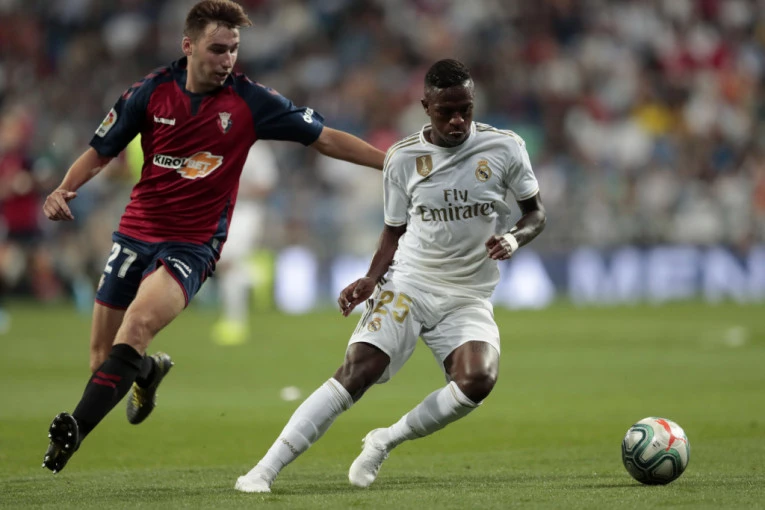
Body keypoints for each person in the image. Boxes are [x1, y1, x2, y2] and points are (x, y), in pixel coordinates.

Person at [40, 0, 385, 474]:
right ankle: (147, 370)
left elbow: (324, 137)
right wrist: (64, 188)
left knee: (136, 327)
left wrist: (391, 162)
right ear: (188, 46)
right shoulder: (150, 92)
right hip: (136, 234)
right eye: (217, 49)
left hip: (192, 246)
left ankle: (73, 431)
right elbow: (101, 150)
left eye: (233, 49)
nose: (227, 59)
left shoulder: (251, 101)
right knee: (103, 360)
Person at [234, 58, 546, 493]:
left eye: (465, 110)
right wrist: (370, 278)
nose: (458, 121)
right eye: (446, 112)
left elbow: (536, 214)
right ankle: (262, 471)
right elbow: (392, 232)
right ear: (426, 107)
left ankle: (385, 440)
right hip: (410, 283)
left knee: (478, 381)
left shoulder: (505, 148)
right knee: (357, 370)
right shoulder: (402, 158)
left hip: (468, 294)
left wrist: (513, 238)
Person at [211, 141, 278, 346]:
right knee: (224, 265)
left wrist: (233, 188)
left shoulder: (257, 151)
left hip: (246, 213)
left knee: (228, 263)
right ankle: (256, 276)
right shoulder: (222, 144)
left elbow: (266, 186)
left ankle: (235, 323)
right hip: (221, 213)